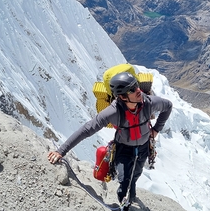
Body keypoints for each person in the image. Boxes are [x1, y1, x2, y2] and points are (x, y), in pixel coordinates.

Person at [48, 72, 173, 210]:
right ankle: (125, 204)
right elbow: (86, 129)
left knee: (136, 174)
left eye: (136, 85)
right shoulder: (114, 112)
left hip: (144, 147)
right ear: (123, 96)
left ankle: (132, 193)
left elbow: (168, 106)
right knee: (124, 180)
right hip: (123, 150)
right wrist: (61, 151)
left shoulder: (148, 103)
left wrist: (156, 130)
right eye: (132, 89)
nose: (138, 90)